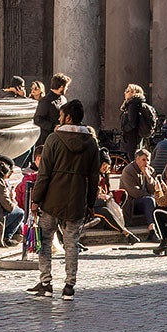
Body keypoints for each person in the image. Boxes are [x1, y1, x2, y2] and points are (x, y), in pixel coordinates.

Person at [28, 96, 101, 300]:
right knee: (72, 244)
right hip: (76, 199)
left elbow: (44, 174)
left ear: (68, 117)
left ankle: (46, 282)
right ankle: (69, 286)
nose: (58, 119)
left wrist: (36, 199)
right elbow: (93, 177)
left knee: (44, 241)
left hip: (52, 199)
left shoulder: (53, 139)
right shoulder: (91, 143)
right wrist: (90, 203)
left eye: (60, 115)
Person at [32, 73, 68, 159]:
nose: (67, 89)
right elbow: (37, 119)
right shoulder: (45, 101)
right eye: (66, 86)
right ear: (61, 87)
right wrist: (53, 127)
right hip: (47, 140)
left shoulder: (63, 99)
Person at [118, 83, 157, 158]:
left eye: (127, 91)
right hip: (135, 137)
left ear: (134, 92)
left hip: (131, 138)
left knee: (131, 159)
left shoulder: (133, 105)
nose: (125, 92)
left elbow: (132, 123)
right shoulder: (135, 104)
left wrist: (124, 129)